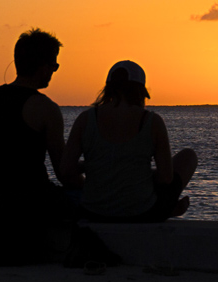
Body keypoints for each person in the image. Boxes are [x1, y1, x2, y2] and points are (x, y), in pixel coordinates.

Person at [0, 29, 78, 264]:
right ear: (45, 66)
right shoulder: (46, 108)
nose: (54, 71)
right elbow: (65, 174)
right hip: (28, 208)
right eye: (55, 65)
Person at [58, 60, 196, 223]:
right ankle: (166, 209)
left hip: (92, 211)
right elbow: (165, 178)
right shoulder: (151, 121)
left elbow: (65, 171)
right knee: (189, 156)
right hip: (141, 213)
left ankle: (165, 209)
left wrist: (95, 166)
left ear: (108, 89)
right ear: (140, 91)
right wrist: (136, 173)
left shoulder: (86, 119)